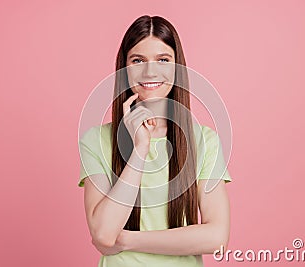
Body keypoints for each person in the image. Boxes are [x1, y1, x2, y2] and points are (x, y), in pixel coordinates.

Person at [78, 15, 232, 267]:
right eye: (138, 60)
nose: (150, 71)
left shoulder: (204, 140)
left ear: (176, 67)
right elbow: (104, 234)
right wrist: (139, 150)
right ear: (124, 69)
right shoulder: (96, 140)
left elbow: (217, 238)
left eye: (163, 60)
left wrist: (128, 240)